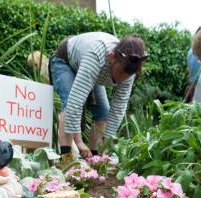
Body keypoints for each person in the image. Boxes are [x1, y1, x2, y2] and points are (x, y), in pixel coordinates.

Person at [49, 32, 147, 164]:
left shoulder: (130, 68)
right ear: (112, 57)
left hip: (93, 70)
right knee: (68, 103)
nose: (120, 79)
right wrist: (79, 142)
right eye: (120, 73)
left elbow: (118, 108)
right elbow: (75, 102)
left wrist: (106, 144)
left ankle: (95, 158)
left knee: (103, 112)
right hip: (65, 61)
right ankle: (66, 159)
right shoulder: (96, 56)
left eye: (127, 76)